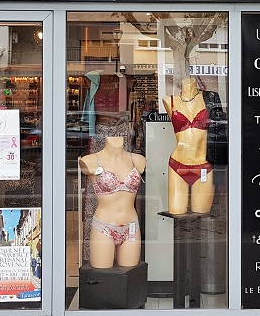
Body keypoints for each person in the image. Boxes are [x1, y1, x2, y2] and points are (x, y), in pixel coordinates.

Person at [79, 136, 146, 268]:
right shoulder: (90, 161)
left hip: (131, 225)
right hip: (103, 226)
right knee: (102, 275)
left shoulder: (138, 160)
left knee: (130, 274)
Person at [162, 78, 214, 214]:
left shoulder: (208, 99)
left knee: (202, 213)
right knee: (176, 213)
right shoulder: (169, 101)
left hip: (203, 166)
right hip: (177, 164)